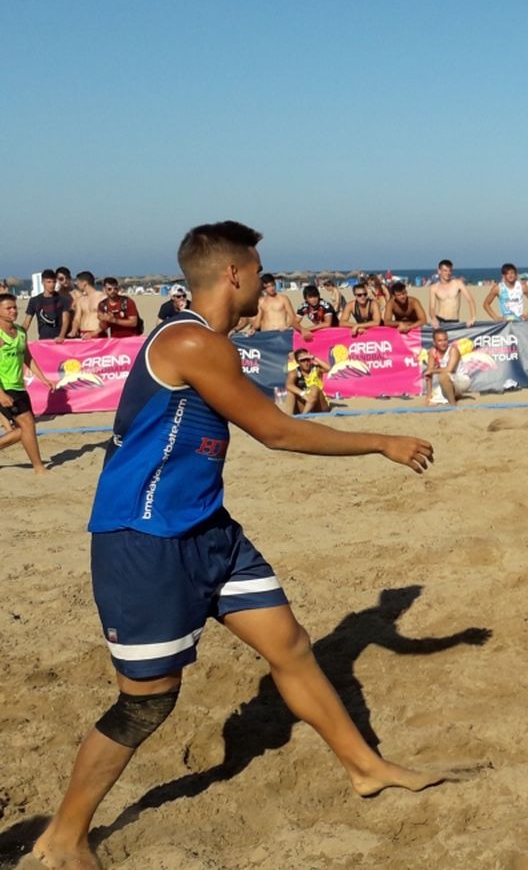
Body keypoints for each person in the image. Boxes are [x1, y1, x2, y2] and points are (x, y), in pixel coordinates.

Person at [27, 221, 448, 870]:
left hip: (209, 530)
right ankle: (63, 835)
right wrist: (383, 441)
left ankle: (366, 768)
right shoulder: (192, 341)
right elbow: (276, 433)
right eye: (256, 270)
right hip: (145, 539)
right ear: (233, 275)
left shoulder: (208, 341)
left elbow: (391, 635)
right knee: (147, 705)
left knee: (293, 648)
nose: (261, 280)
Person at [0, 293, 54, 474]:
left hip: (18, 386)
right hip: (4, 387)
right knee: (28, 424)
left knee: (24, 429)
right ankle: (39, 468)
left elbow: (27, 357)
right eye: (8, 308)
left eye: (15, 307)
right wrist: (1, 394)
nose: (13, 311)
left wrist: (43, 378)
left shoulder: (20, 331)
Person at [419, 329, 471, 407]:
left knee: (443, 376)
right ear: (434, 342)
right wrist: (428, 395)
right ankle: (454, 395)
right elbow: (429, 374)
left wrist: (432, 370)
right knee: (430, 403)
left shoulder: (453, 350)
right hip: (448, 381)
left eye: (445, 340)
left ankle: (453, 403)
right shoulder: (432, 352)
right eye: (440, 341)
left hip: (462, 380)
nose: (443, 343)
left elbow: (449, 369)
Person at [23, 270, 73, 342]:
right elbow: (26, 322)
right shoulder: (34, 301)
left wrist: (61, 336)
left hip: (59, 339)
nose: (52, 285)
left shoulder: (63, 300)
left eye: (54, 282)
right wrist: (19, 337)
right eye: (49, 282)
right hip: (43, 340)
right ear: (43, 282)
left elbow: (66, 320)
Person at [285, 348, 332, 415]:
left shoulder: (316, 369)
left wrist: (314, 358)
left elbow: (329, 369)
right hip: (305, 403)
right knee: (290, 392)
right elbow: (288, 385)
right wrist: (303, 394)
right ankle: (288, 417)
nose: (306, 363)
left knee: (314, 387)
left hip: (320, 405)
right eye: (302, 360)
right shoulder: (294, 372)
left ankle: (304, 416)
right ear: (298, 362)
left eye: (307, 359)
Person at [428, 260, 473, 328]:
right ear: (439, 271)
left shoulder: (458, 283)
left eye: (450, 270)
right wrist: (434, 319)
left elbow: (470, 300)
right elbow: (432, 307)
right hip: (440, 320)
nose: (448, 273)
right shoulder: (434, 288)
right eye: (445, 270)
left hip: (454, 320)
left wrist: (473, 317)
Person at [70, 271, 106, 339]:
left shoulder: (102, 298)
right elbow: (77, 318)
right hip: (83, 334)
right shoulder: (81, 300)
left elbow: (106, 320)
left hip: (97, 333)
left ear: (84, 283)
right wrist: (74, 329)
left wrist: (94, 333)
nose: (76, 284)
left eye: (78, 282)